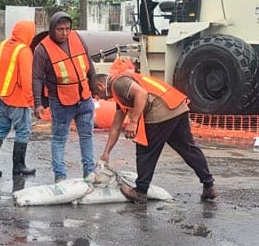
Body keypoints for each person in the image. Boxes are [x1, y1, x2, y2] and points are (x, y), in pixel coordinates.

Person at [92, 59, 218, 203]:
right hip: (177, 107)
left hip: (161, 110)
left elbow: (141, 94)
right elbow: (116, 125)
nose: (98, 98)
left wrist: (133, 122)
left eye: (96, 94)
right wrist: (106, 153)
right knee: (187, 148)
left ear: (101, 86)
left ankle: (140, 192)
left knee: (145, 150)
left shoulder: (118, 83)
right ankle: (209, 185)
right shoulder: (120, 92)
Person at [32, 12, 96, 182]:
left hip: (84, 97)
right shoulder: (42, 50)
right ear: (52, 29)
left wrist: (94, 86)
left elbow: (88, 63)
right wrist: (38, 103)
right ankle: (60, 176)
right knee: (59, 138)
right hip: (61, 101)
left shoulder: (77, 38)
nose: (64, 33)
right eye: (60, 29)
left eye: (67, 29)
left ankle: (89, 172)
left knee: (87, 136)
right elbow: (37, 77)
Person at [0, 20, 37, 177]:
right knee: (23, 131)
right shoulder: (23, 51)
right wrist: (31, 101)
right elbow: (27, 79)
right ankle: (19, 166)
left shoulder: (2, 45)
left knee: (3, 127)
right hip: (16, 99)